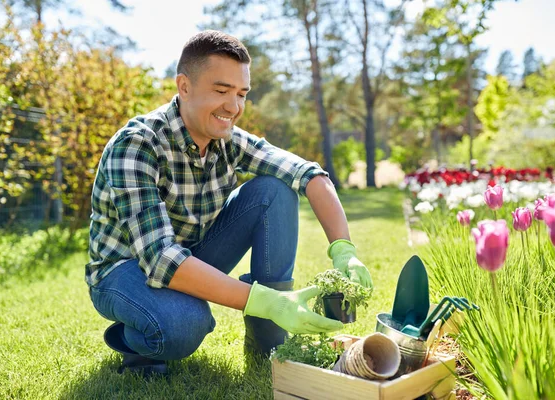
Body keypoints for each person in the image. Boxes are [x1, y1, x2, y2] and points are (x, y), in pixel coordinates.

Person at [86, 30, 373, 375]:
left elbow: (309, 175)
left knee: (276, 190)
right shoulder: (137, 145)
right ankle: (138, 340)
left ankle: (268, 340)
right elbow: (160, 259)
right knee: (185, 325)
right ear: (184, 86)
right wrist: (268, 301)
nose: (234, 107)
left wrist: (344, 249)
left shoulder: (228, 141)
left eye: (241, 94)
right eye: (221, 91)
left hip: (191, 253)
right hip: (124, 270)